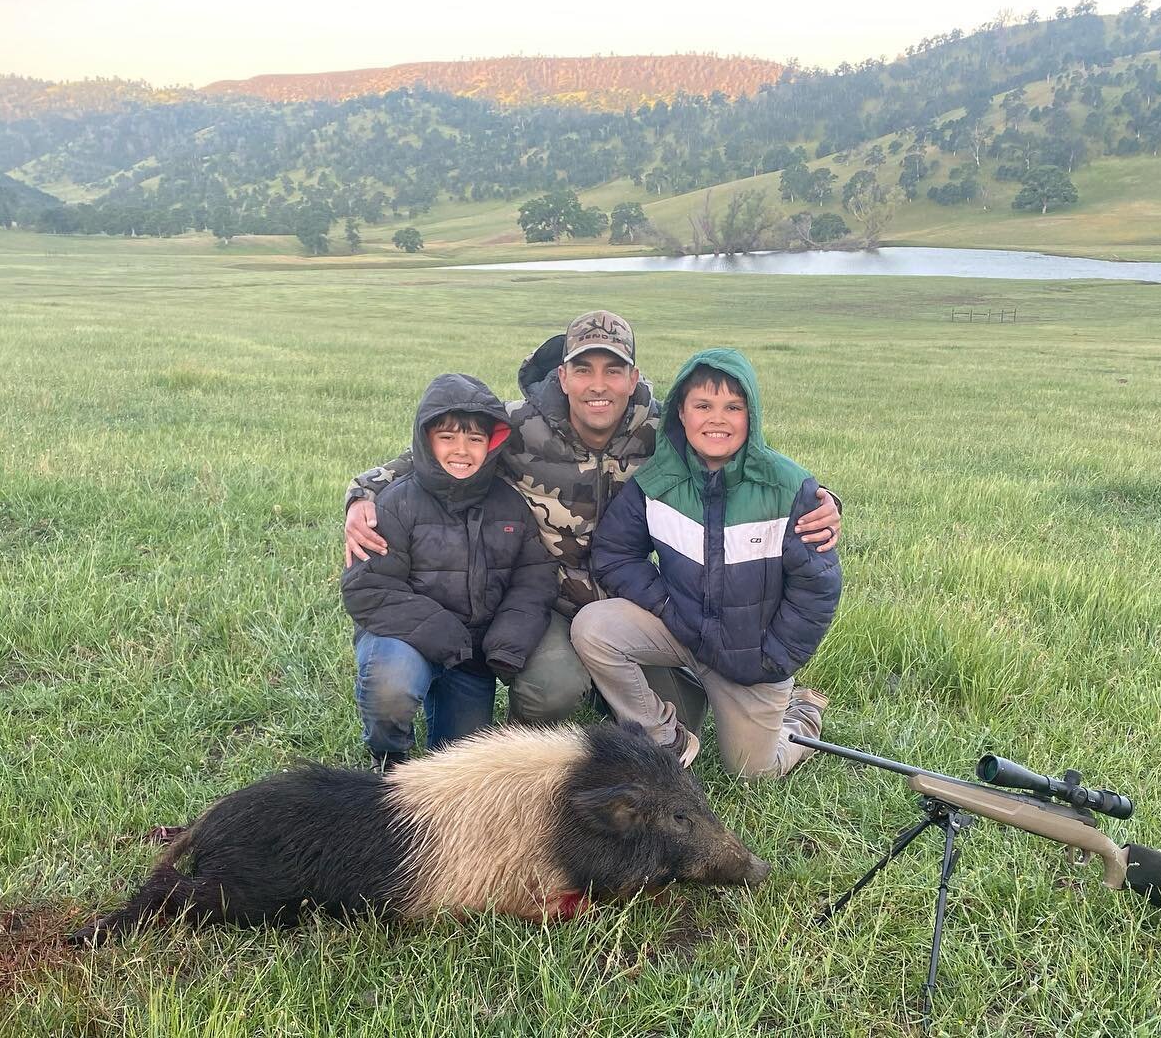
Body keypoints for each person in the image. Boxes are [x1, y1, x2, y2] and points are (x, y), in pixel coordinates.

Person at [343, 312, 842, 727]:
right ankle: (526, 761)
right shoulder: (519, 426)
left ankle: (768, 701)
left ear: (633, 377)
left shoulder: (663, 429)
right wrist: (363, 496)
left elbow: (739, 454)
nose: (597, 385)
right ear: (563, 376)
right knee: (551, 689)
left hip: (636, 598)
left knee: (682, 722)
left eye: (612, 370)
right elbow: (435, 457)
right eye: (583, 370)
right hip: (544, 595)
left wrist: (820, 499)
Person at [571, 349, 842, 778]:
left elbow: (817, 586)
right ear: (681, 412)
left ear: (751, 415)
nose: (717, 419)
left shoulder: (790, 488)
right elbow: (614, 552)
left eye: (733, 407)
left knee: (752, 771)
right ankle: (666, 740)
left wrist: (775, 658)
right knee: (594, 627)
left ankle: (802, 713)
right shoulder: (656, 482)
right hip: (684, 632)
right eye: (703, 406)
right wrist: (666, 607)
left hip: (753, 659)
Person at [341, 373, 557, 770]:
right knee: (391, 686)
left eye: (475, 439)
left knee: (461, 764)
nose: (462, 450)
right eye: (447, 437)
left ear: (491, 444)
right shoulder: (393, 503)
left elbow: (534, 578)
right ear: (426, 439)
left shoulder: (510, 504)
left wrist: (507, 642)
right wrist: (442, 633)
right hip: (405, 638)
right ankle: (388, 757)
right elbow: (367, 588)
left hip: (470, 654)